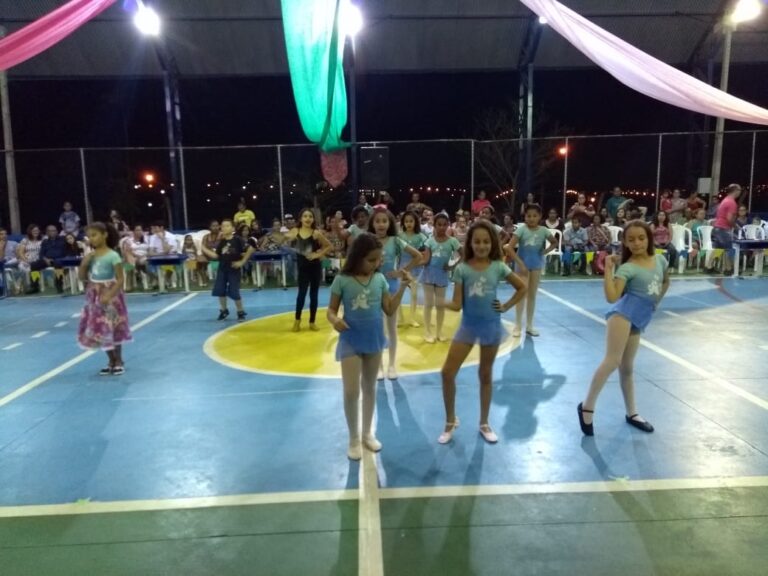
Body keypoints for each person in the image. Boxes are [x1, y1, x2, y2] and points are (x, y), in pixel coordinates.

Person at [437, 220, 526, 444]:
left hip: (491, 327)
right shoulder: (462, 269)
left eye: (486, 241)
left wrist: (506, 306)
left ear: (492, 243)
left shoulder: (498, 267)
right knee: (447, 373)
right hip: (468, 327)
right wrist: (440, 302)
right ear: (470, 243)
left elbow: (522, 287)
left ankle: (484, 423)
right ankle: (450, 421)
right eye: (477, 241)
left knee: (485, 375)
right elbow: (457, 304)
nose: (482, 245)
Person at [578, 220, 670, 436]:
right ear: (625, 243)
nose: (637, 243)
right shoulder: (627, 268)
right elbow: (612, 297)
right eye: (631, 240)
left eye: (641, 238)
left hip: (640, 317)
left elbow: (666, 282)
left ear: (649, 238)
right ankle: (587, 406)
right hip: (622, 315)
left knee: (627, 368)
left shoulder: (660, 260)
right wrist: (608, 269)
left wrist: (656, 302)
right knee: (612, 361)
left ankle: (632, 413)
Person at [326, 233, 412, 460]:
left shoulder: (380, 279)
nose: (376, 263)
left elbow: (389, 309)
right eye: (371, 260)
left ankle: (367, 433)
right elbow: (331, 310)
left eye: (379, 259)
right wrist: (335, 320)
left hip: (374, 339)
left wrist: (403, 287)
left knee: (370, 387)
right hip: (350, 340)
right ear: (358, 257)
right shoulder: (342, 280)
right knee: (351, 391)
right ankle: (353, 438)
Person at [368, 207, 422, 380]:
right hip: (371, 288)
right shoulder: (368, 241)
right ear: (372, 224)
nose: (381, 224)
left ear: (390, 223)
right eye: (377, 221)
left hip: (391, 287)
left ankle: (391, 365)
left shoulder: (396, 241)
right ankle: (378, 366)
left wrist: (402, 272)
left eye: (384, 221)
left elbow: (418, 256)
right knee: (376, 329)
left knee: (391, 328)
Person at [77, 222, 132, 375]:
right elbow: (82, 277)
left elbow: (120, 279)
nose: (91, 239)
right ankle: (110, 360)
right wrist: (84, 264)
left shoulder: (113, 255)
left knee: (113, 327)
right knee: (99, 327)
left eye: (94, 235)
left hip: (111, 294)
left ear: (105, 235)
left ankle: (118, 360)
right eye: (89, 236)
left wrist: (110, 294)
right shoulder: (91, 256)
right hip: (94, 294)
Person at [505, 204, 556, 337]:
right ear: (525, 217)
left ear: (540, 217)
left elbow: (554, 242)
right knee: (521, 295)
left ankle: (529, 325)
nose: (531, 218)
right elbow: (509, 248)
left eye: (534, 216)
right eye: (528, 216)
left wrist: (545, 251)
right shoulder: (521, 230)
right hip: (522, 267)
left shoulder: (544, 231)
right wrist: (520, 263)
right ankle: (517, 325)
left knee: (532, 295)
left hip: (536, 266)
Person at [283, 208, 332, 331]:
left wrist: (318, 255)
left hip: (315, 268)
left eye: (310, 216)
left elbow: (329, 246)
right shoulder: (295, 231)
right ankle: (297, 321)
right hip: (302, 269)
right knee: (301, 295)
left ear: (313, 219)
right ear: (300, 219)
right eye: (305, 216)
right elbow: (283, 239)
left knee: (314, 295)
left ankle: (312, 322)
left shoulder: (316, 233)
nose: (308, 218)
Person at [201, 218, 254, 321]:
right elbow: (216, 256)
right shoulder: (222, 242)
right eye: (223, 226)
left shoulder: (238, 239)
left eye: (227, 226)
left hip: (233, 269)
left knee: (234, 291)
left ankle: (240, 311)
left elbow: (251, 249)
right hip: (222, 269)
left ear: (233, 228)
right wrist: (204, 249)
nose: (224, 228)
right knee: (220, 290)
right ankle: (224, 310)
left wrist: (242, 262)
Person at [422, 213, 462, 343]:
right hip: (428, 275)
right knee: (428, 304)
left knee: (440, 305)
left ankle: (439, 331)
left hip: (442, 276)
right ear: (434, 225)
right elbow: (426, 259)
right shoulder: (429, 241)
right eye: (439, 224)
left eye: (445, 225)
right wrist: (415, 262)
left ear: (448, 225)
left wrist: (452, 266)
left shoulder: (453, 241)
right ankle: (427, 331)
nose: (442, 227)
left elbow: (462, 255)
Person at [398, 211, 428, 327]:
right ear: (403, 223)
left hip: (415, 269)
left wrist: (420, 262)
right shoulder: (399, 236)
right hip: (402, 269)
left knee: (414, 294)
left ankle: (412, 318)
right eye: (406, 221)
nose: (409, 223)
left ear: (416, 222)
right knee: (398, 294)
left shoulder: (421, 237)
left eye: (411, 221)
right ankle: (400, 318)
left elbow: (425, 253)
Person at [711, 184, 743, 275]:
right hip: (723, 228)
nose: (740, 192)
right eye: (739, 190)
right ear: (735, 190)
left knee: (718, 248)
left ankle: (708, 267)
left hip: (717, 227)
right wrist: (735, 226)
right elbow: (729, 218)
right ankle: (729, 269)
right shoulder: (732, 203)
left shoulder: (725, 200)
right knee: (729, 249)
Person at [39, 224, 68, 293]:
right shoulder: (45, 242)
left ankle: (59, 284)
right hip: (48, 261)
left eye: (54, 231)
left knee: (58, 263)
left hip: (60, 260)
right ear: (47, 232)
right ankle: (34, 284)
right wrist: (45, 259)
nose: (53, 232)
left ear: (57, 231)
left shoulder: (63, 239)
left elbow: (72, 239)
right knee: (34, 265)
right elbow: (41, 254)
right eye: (50, 231)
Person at [16, 224, 44, 293]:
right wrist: (26, 260)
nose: (36, 232)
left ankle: (33, 286)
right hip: (27, 259)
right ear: (30, 231)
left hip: (38, 260)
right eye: (34, 231)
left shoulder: (43, 240)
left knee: (35, 266)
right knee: (22, 267)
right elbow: (21, 252)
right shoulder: (25, 240)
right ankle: (20, 286)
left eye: (37, 230)